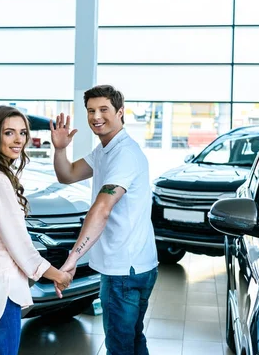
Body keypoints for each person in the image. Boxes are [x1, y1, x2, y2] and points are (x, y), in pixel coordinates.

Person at [49, 85, 158, 355]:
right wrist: (60, 149)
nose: (96, 116)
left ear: (120, 112)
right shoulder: (106, 150)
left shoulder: (124, 154)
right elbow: (68, 174)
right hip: (137, 265)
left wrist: (72, 259)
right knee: (133, 340)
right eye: (91, 111)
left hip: (123, 270)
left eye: (104, 110)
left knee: (119, 347)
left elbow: (102, 209)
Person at [0, 105, 73, 355]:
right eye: (9, 132)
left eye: (22, 132)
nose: (19, 139)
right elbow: (18, 244)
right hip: (0, 292)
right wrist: (56, 275)